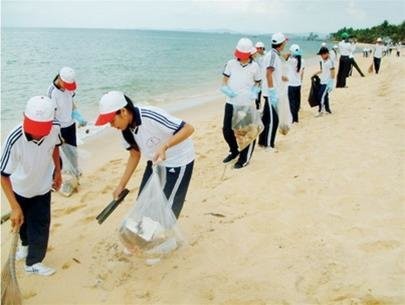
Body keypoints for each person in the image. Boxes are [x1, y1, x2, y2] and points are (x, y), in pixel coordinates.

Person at [95, 91, 194, 219]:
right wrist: (121, 186)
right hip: (155, 161)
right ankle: (148, 234)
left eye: (112, 121)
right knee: (144, 202)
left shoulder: (149, 115)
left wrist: (165, 146)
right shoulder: (125, 129)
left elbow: (188, 129)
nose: (112, 125)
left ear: (123, 112)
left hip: (178, 160)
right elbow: (134, 156)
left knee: (168, 209)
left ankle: (165, 236)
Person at [1, 96, 62, 276]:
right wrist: (13, 207)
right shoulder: (14, 139)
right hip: (19, 188)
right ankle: (25, 248)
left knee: (40, 225)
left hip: (42, 187)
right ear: (23, 117)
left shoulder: (54, 128)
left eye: (42, 129)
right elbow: (3, 175)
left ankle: (33, 262)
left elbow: (56, 146)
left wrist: (58, 171)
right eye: (34, 128)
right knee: (23, 223)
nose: (37, 134)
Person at [220, 38, 261, 168]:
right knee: (227, 130)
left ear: (249, 54)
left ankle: (244, 159)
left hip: (246, 104)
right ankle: (234, 150)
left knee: (245, 132)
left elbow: (258, 81)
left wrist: (254, 92)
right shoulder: (231, 64)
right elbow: (224, 80)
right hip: (231, 102)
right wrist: (226, 90)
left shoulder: (255, 66)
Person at [48, 67, 87, 195]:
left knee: (72, 152)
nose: (69, 88)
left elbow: (72, 102)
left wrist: (78, 116)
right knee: (58, 156)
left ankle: (75, 175)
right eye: (67, 85)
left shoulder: (70, 89)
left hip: (70, 125)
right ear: (60, 79)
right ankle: (56, 180)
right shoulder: (52, 92)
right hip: (59, 128)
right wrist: (56, 133)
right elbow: (51, 114)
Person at [258, 32, 288, 151]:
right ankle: (269, 145)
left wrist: (281, 77)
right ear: (281, 44)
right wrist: (271, 91)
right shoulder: (273, 56)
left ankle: (262, 142)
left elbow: (273, 72)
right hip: (270, 93)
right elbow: (268, 73)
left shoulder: (273, 54)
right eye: (284, 42)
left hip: (271, 92)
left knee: (266, 119)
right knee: (273, 120)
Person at [313, 47, 335, 116]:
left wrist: (330, 84)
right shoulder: (323, 61)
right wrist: (315, 73)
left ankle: (320, 111)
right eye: (321, 55)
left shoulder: (330, 62)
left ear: (326, 54)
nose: (321, 56)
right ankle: (328, 110)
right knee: (325, 96)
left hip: (327, 83)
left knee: (320, 96)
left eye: (322, 54)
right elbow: (323, 70)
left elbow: (333, 73)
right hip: (322, 81)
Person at [286, 44, 304, 123]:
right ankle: (296, 118)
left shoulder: (291, 61)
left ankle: (293, 119)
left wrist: (289, 54)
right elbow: (302, 72)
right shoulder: (302, 61)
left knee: (292, 102)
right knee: (297, 101)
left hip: (291, 84)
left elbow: (283, 58)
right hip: (298, 84)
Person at [253, 41, 266, 109]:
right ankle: (258, 106)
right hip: (259, 79)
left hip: (265, 79)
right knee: (257, 94)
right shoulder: (257, 57)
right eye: (256, 49)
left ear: (261, 48)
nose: (256, 50)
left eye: (257, 49)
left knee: (265, 95)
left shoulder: (266, 56)